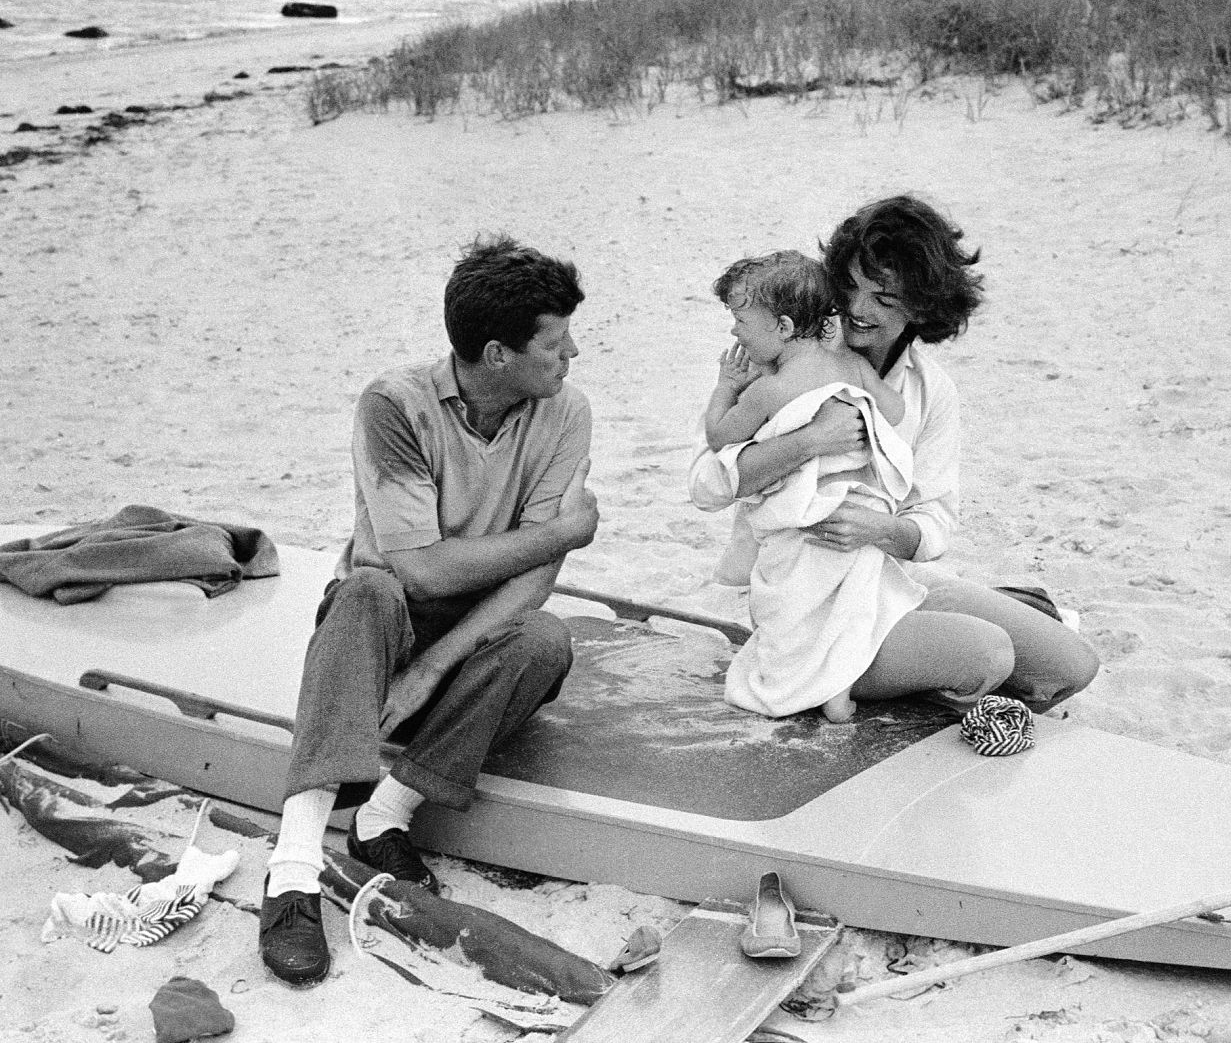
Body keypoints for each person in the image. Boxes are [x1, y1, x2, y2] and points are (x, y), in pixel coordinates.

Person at [259, 235, 598, 988]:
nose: (572, 351)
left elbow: (535, 580)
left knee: (545, 638)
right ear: (497, 353)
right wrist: (563, 531)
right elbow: (420, 568)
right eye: (556, 339)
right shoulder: (394, 405)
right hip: (381, 632)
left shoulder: (564, 411)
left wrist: (433, 671)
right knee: (368, 589)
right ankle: (292, 868)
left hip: (466, 658)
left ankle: (385, 816)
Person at [689, 195, 1099, 714]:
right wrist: (809, 442)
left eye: (884, 298)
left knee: (1070, 667)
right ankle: (856, 673)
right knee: (987, 654)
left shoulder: (931, 389)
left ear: (921, 307)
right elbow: (706, 481)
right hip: (799, 594)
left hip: (882, 574)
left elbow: (934, 520)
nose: (859, 310)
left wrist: (880, 530)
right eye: (851, 289)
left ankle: (941, 646)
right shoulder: (785, 354)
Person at [701, 251, 918, 724]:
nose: (734, 333)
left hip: (801, 527)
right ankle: (837, 692)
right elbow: (894, 415)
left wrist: (726, 387)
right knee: (847, 615)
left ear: (781, 328)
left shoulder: (769, 390)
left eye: (739, 321)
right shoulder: (851, 366)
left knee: (789, 615)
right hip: (855, 515)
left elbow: (720, 439)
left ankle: (785, 684)